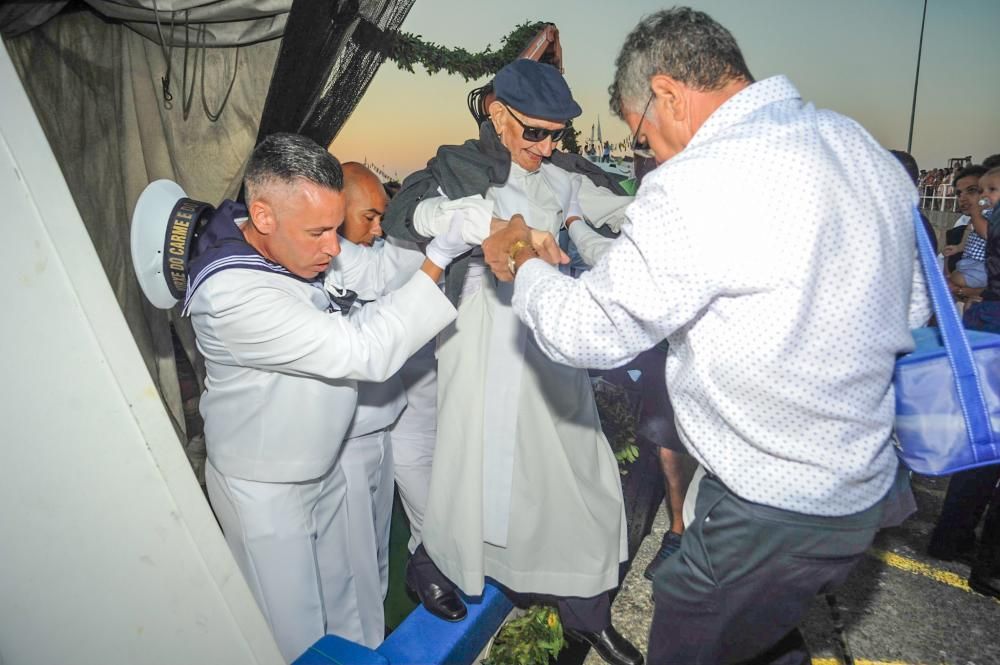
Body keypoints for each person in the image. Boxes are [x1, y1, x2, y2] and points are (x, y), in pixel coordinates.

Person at [482, 8, 930, 664]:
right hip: (865, 490)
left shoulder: (699, 181)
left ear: (668, 94)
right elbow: (911, 308)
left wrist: (522, 261)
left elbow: (586, 330)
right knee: (764, 631)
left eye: (644, 133)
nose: (650, 153)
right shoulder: (857, 145)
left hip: (773, 504)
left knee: (693, 632)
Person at [383, 59, 642, 665]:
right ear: (497, 115)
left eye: (557, 134)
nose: (548, 146)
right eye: (535, 133)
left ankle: (587, 611)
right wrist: (476, 222)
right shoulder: (461, 169)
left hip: (547, 337)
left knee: (577, 472)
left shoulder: (560, 177)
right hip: (482, 339)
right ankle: (431, 567)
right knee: (472, 470)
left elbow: (620, 210)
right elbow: (411, 215)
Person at [185, 133, 467, 662]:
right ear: (263, 216)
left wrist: (439, 240)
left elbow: (378, 271)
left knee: (346, 604)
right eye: (319, 232)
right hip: (266, 487)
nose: (335, 248)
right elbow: (358, 349)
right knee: (295, 633)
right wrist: (436, 266)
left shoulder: (299, 244)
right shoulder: (232, 294)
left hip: (320, 460)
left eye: (337, 229)